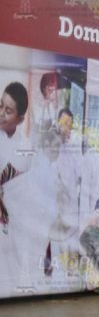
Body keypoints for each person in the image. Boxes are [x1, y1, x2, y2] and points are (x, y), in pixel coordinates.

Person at [0, 82, 33, 234]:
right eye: (0, 105)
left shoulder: (26, 148)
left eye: (8, 111)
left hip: (10, 222)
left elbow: (23, 194)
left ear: (20, 120)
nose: (1, 113)